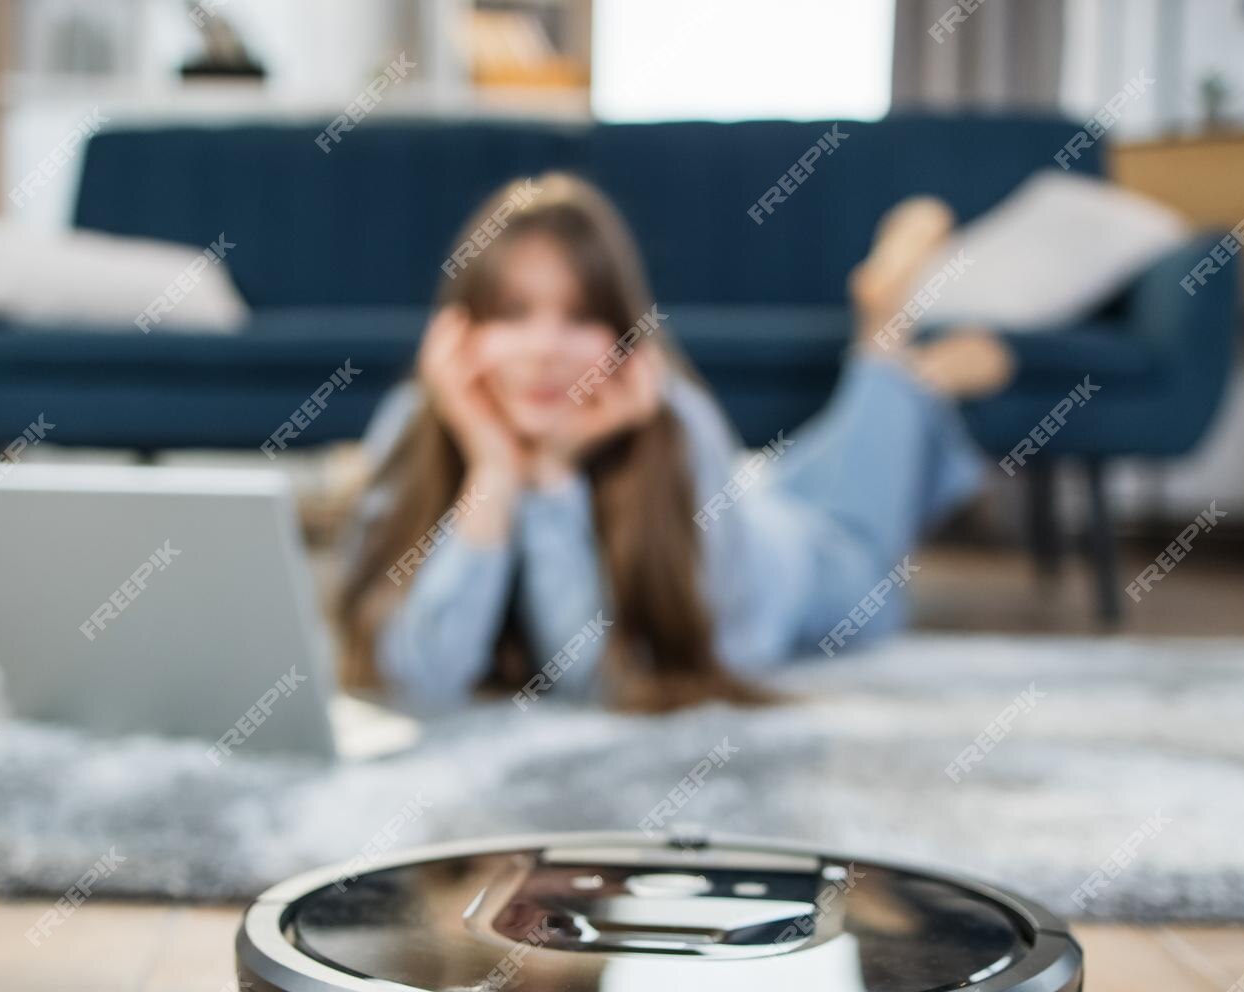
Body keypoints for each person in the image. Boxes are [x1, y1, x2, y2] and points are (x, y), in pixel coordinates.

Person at [338, 171, 1013, 713]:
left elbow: (598, 684)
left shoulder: (676, 421)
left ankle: (884, 337)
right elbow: (421, 680)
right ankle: (914, 382)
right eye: (514, 314)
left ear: (625, 335)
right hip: (754, 492)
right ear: (459, 331)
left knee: (871, 572)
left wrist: (549, 481)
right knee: (810, 466)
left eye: (578, 317)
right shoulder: (416, 419)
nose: (544, 351)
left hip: (804, 557)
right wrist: (495, 469)